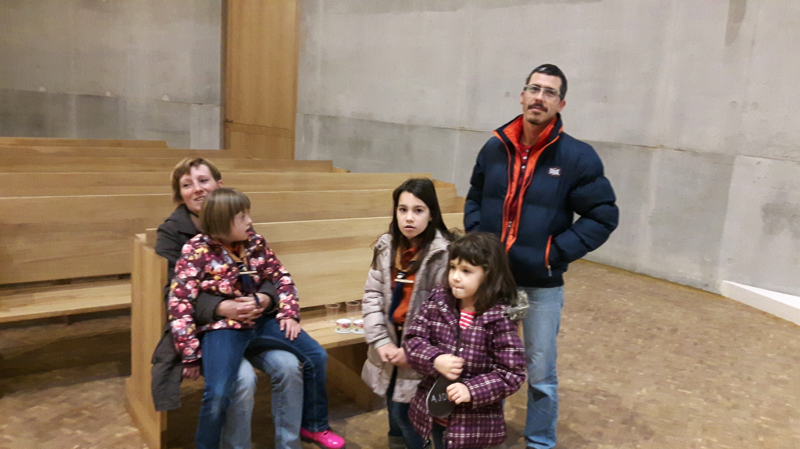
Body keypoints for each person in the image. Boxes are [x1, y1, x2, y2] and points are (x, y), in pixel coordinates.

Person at [464, 64, 619, 448]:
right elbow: (475, 197)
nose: (539, 97)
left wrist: (553, 253)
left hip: (541, 286)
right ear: (521, 95)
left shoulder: (577, 157)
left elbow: (603, 216)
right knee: (487, 365)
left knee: (540, 374)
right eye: (534, 89)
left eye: (550, 92)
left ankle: (539, 442)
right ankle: (487, 435)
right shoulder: (495, 147)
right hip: (492, 282)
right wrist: (479, 241)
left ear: (560, 103)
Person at [167, 188, 345, 449]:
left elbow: (282, 277)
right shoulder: (197, 250)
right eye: (242, 217)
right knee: (218, 390)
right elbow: (180, 303)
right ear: (222, 223)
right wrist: (190, 354)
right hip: (224, 329)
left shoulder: (255, 243)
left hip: (262, 321)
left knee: (316, 355)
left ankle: (314, 425)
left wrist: (288, 312)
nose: (250, 221)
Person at [151, 157, 304, 449]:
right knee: (242, 379)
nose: (197, 189)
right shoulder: (173, 234)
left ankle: (290, 443)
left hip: (253, 321)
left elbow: (265, 272)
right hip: (205, 328)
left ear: (219, 185)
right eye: (187, 185)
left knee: (290, 366)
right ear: (179, 194)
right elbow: (175, 295)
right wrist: (221, 308)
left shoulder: (236, 219)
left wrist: (265, 298)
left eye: (203, 180)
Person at [403, 232, 527, 449]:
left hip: (474, 427)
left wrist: (471, 390)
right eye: (453, 267)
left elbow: (512, 373)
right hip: (436, 415)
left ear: (488, 275)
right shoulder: (438, 301)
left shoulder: (500, 318)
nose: (455, 277)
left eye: (466, 271)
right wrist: (435, 359)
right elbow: (413, 339)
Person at [361, 178, 455, 449]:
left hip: (422, 348)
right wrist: (381, 341)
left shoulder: (442, 254)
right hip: (390, 342)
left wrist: (413, 353)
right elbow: (372, 294)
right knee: (392, 403)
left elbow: (443, 316)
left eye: (418, 210)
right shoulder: (387, 246)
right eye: (402, 210)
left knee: (408, 414)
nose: (409, 218)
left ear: (432, 214)